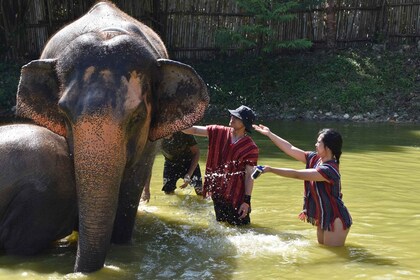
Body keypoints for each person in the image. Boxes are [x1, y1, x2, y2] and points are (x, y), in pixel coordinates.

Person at [253, 125, 352, 246]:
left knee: (335, 258)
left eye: (319, 142)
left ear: (328, 147)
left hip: (336, 219)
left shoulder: (329, 170)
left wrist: (270, 169)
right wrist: (269, 134)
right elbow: (290, 148)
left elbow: (297, 175)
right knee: (324, 251)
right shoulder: (316, 159)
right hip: (323, 217)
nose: (315, 144)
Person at [183, 105, 259, 225]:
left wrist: (246, 201)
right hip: (217, 191)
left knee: (242, 229)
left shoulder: (250, 147)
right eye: (232, 115)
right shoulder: (219, 131)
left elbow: (250, 175)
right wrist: (176, 123)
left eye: (236, 117)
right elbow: (194, 130)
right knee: (222, 226)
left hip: (237, 196)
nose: (232, 118)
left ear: (244, 123)